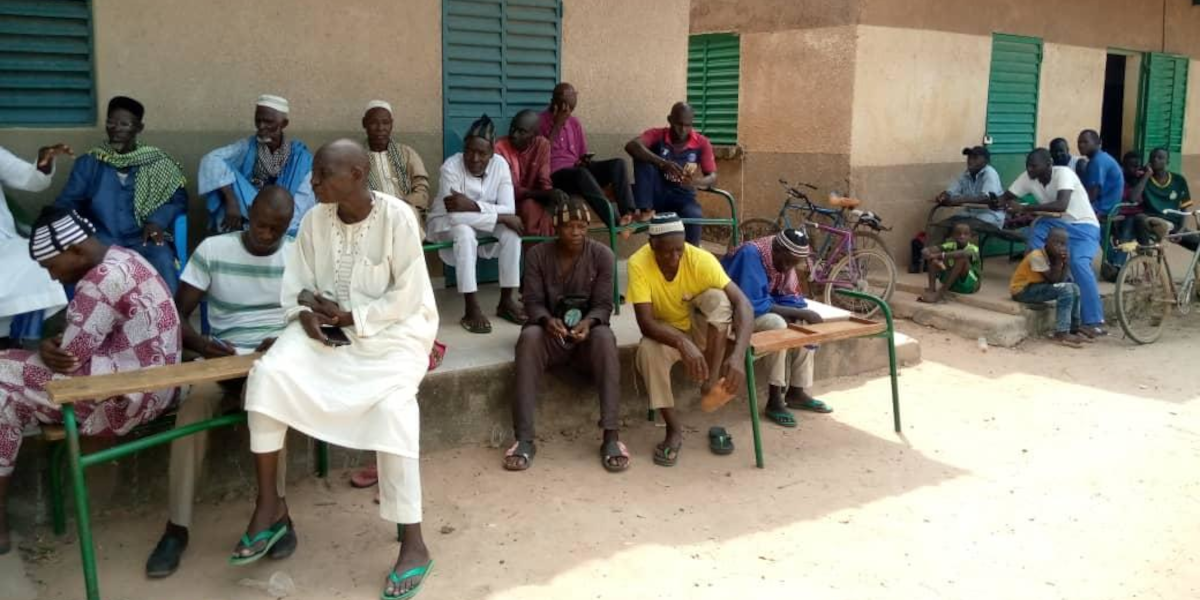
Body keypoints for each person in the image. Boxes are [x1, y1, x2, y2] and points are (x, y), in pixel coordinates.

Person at [231, 140, 437, 600]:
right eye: (316, 173)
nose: (313, 181)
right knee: (268, 376)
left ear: (358, 175)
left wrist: (352, 318)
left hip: (392, 335)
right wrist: (305, 314)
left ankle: (415, 543)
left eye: (324, 174)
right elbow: (298, 286)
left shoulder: (397, 218)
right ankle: (270, 507)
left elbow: (408, 296)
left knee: (394, 409)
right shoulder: (313, 220)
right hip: (327, 331)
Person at [0, 208, 180, 555]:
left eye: (52, 266)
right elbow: (79, 344)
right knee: (8, 384)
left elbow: (70, 359)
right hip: (156, 387)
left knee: (3, 384)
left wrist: (47, 348)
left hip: (124, 401)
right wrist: (53, 348)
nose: (53, 278)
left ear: (76, 251)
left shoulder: (98, 283)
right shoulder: (124, 259)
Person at [144, 187, 295, 578]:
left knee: (267, 403)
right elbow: (178, 315)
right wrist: (203, 345)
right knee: (192, 411)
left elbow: (310, 316)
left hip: (272, 359)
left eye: (276, 229)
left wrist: (285, 340)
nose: (266, 234)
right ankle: (177, 527)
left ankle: (278, 513)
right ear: (248, 213)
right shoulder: (214, 250)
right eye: (261, 224)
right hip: (222, 358)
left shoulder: (298, 254)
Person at [505, 193, 624, 472]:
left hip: (586, 341)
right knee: (530, 337)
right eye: (569, 226)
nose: (576, 232)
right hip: (551, 337)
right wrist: (547, 321)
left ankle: (611, 436)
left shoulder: (602, 255)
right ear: (556, 228)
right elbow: (531, 302)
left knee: (606, 338)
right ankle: (524, 439)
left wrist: (590, 323)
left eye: (582, 227)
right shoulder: (537, 255)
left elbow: (604, 305)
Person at [629, 213, 753, 467]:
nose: (675, 258)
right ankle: (673, 429)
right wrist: (682, 343)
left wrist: (738, 355)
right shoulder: (638, 263)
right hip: (665, 334)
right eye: (667, 252)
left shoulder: (700, 259)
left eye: (680, 250)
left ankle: (710, 381)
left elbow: (743, 304)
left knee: (719, 299)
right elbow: (646, 323)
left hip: (701, 332)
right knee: (647, 352)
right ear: (652, 245)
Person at [54, 96, 188, 292]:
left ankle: (169, 320)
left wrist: (157, 221)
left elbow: (178, 199)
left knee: (163, 260)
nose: (116, 128)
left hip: (142, 239)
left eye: (124, 124)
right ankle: (80, 320)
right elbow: (68, 201)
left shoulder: (157, 162)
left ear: (138, 128)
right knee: (75, 265)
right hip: (100, 240)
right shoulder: (90, 162)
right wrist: (62, 228)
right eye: (111, 122)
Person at [720, 229, 831, 429]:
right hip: (735, 313)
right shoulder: (751, 254)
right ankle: (775, 398)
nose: (789, 267)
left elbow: (789, 296)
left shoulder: (785, 257)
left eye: (793, 263)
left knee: (804, 324)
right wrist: (799, 313)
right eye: (787, 261)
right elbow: (750, 304)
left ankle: (797, 391)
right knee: (776, 325)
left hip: (759, 307)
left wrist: (800, 312)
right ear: (776, 249)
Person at [989, 148, 1106, 337]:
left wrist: (1026, 209)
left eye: (1034, 165)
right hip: (1059, 224)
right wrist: (996, 202)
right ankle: (1039, 284)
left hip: (1085, 226)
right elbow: (1005, 198)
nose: (1030, 169)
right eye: (1028, 165)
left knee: (1078, 263)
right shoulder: (1028, 177)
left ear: (1049, 164)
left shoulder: (1064, 174)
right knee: (1038, 229)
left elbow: (1061, 205)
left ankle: (1093, 321)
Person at [427, 115, 526, 334]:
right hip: (445, 224)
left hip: (480, 221)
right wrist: (500, 216)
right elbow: (455, 218)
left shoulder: (501, 165)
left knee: (512, 234)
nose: (474, 158)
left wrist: (472, 205)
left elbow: (509, 209)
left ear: (492, 153)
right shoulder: (450, 168)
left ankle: (507, 300)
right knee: (463, 232)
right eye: (469, 151)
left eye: (482, 153)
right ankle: (471, 307)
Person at [199, 95, 315, 236]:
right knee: (227, 171)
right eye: (258, 120)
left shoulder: (300, 159)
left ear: (283, 124)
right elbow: (211, 159)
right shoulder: (248, 146)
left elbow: (300, 205)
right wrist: (231, 200)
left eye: (268, 122)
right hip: (250, 208)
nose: (261, 127)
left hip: (283, 215)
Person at [539, 83, 639, 226]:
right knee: (581, 174)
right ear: (554, 104)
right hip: (556, 175)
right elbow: (540, 155)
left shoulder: (574, 123)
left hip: (576, 170)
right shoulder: (540, 121)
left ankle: (628, 214)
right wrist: (558, 124)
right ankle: (615, 222)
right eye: (565, 109)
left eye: (571, 110)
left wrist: (584, 161)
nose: (568, 113)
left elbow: (581, 154)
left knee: (618, 164)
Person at [0, 144, 71, 341]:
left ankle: (28, 339)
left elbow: (30, 179)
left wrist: (43, 165)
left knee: (38, 260)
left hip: (3, 243)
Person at [625, 102, 718, 246]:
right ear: (669, 120)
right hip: (655, 195)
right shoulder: (657, 135)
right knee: (641, 155)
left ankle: (692, 255)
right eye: (678, 124)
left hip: (683, 197)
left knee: (694, 215)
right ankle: (646, 212)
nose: (682, 130)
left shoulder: (702, 143)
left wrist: (695, 182)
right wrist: (662, 163)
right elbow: (631, 145)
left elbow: (712, 177)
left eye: (687, 125)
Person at [362, 99, 431, 236]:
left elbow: (422, 190)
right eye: (374, 123)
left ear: (391, 125)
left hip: (406, 209)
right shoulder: (355, 157)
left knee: (406, 215)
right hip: (373, 213)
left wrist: (403, 203)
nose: (380, 128)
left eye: (385, 123)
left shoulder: (407, 153)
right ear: (364, 124)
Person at [1009, 228, 1088, 348]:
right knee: (1066, 289)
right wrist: (1058, 261)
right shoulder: (1036, 256)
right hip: (1022, 290)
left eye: (1063, 244)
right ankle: (1061, 332)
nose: (1060, 247)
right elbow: (1053, 281)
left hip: (1038, 286)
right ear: (1046, 242)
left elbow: (1061, 281)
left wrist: (1066, 263)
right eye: (1056, 243)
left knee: (1074, 287)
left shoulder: (1054, 256)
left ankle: (1074, 329)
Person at [496, 109, 555, 236]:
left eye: (521, 131)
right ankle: (533, 254)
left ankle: (544, 252)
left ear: (534, 135)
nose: (514, 134)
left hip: (534, 200)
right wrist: (544, 195)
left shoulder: (542, 145)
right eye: (512, 128)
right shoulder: (499, 147)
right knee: (529, 208)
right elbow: (512, 191)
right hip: (509, 204)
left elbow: (544, 181)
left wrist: (550, 203)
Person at [929, 146, 1005, 243]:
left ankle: (958, 257)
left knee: (961, 231)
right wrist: (944, 196)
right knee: (941, 227)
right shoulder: (965, 174)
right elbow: (951, 190)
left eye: (975, 158)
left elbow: (987, 198)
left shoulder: (990, 173)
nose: (970, 161)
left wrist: (960, 199)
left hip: (989, 216)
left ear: (985, 161)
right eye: (969, 157)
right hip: (969, 214)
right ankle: (930, 256)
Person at [1129, 148, 1197, 251]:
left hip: (1172, 224)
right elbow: (1132, 199)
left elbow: (1184, 208)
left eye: (1160, 158)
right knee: (1139, 218)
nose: (1156, 159)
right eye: (1153, 157)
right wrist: (1147, 175)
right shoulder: (1143, 178)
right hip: (1151, 220)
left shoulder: (1179, 180)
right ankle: (1147, 256)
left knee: (1197, 243)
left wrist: (1181, 230)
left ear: (1167, 162)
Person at [918, 222, 981, 303]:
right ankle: (931, 289)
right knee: (933, 260)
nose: (962, 236)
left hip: (968, 285)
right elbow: (932, 249)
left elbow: (964, 253)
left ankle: (941, 293)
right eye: (958, 234)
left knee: (962, 259)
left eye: (966, 234)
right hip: (951, 283)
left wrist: (940, 255)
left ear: (970, 236)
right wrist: (926, 251)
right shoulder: (950, 245)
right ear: (953, 235)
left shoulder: (974, 249)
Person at [1077, 130, 1124, 218]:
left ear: (1097, 143)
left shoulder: (1098, 161)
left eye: (1085, 142)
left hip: (1103, 209)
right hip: (1106, 207)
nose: (1081, 145)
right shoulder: (1099, 159)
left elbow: (1092, 196)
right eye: (1079, 142)